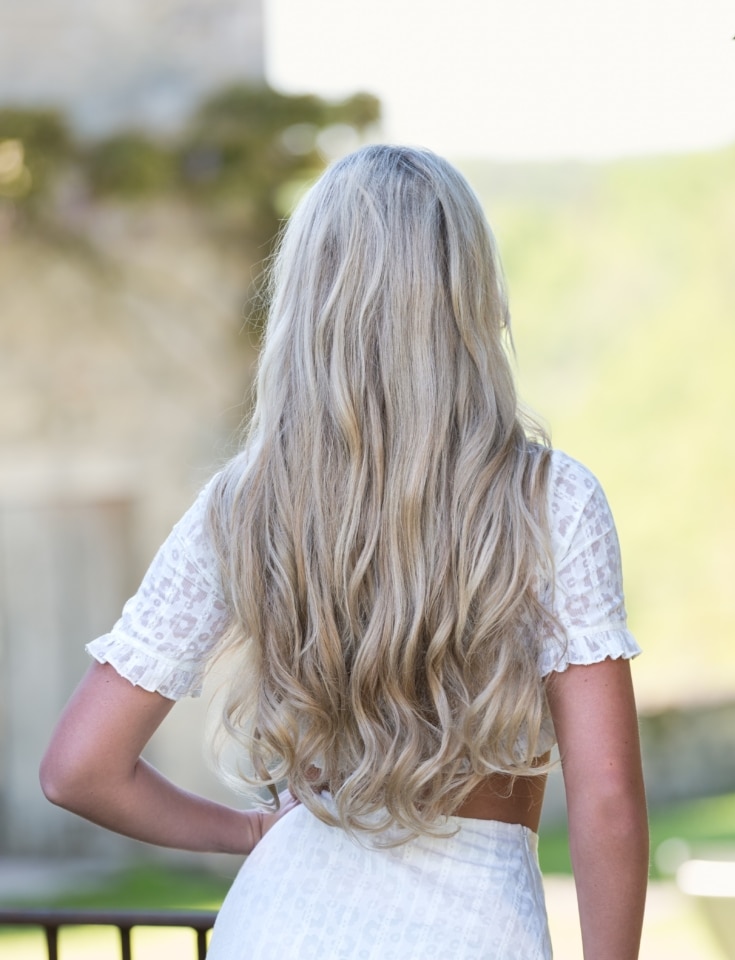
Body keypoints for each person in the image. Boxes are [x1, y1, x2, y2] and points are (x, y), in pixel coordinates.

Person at [40, 145, 648, 959]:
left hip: (277, 926)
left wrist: (249, 830)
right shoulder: (550, 498)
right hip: (470, 930)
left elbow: (79, 767)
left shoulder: (244, 502)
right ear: (470, 295)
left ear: (308, 298)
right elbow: (605, 799)